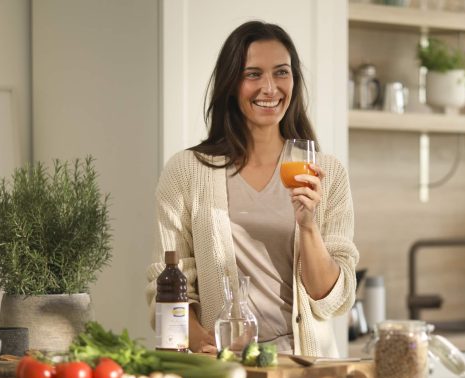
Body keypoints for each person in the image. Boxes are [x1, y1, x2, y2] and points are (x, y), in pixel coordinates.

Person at [146, 21, 358, 357]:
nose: (270, 88)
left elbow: (330, 298)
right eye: (253, 74)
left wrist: (308, 225)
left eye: (281, 73)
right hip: (223, 367)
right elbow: (167, 285)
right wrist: (206, 345)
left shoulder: (326, 173)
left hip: (304, 368)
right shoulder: (186, 171)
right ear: (231, 84)